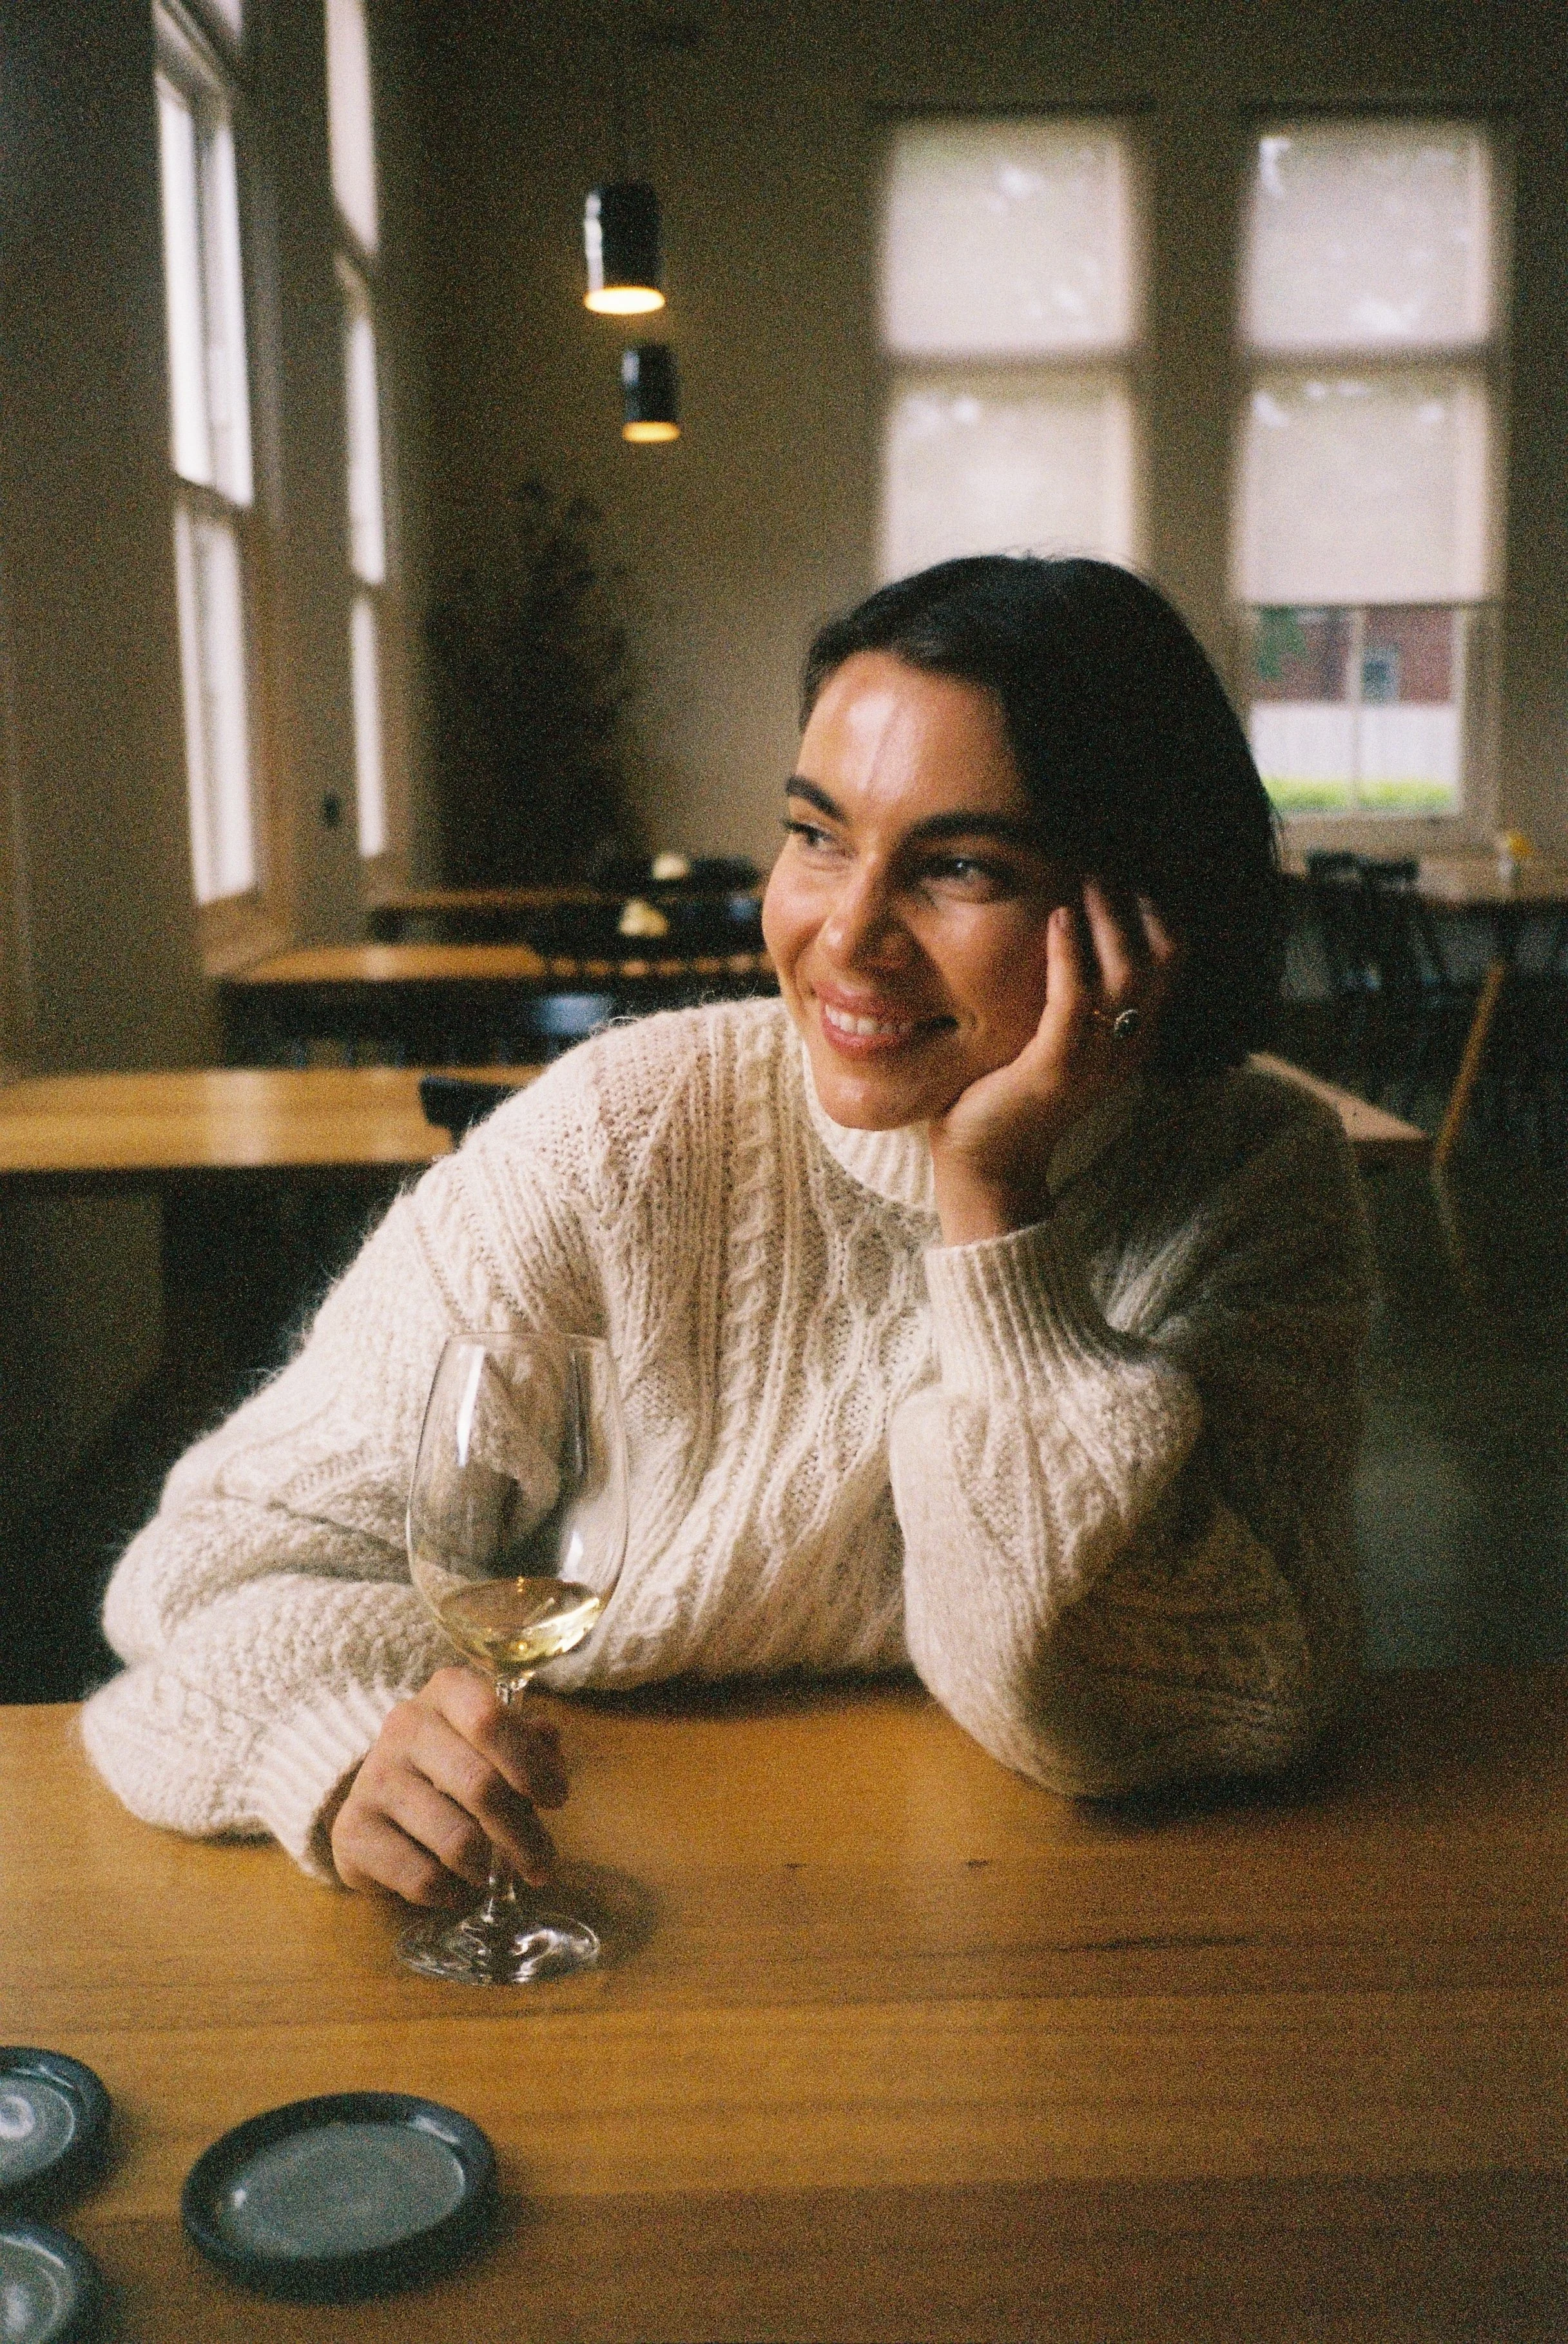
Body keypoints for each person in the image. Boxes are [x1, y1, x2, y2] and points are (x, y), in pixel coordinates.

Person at [83, 555, 1372, 1905]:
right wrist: (337, 1753)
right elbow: (207, 1570)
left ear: (1142, 913)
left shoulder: (1254, 1179)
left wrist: (992, 1204)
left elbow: (1173, 1705)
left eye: (960, 868)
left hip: (1034, 1927)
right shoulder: (623, 1138)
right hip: (610, 1887)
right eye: (817, 836)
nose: (843, 933)